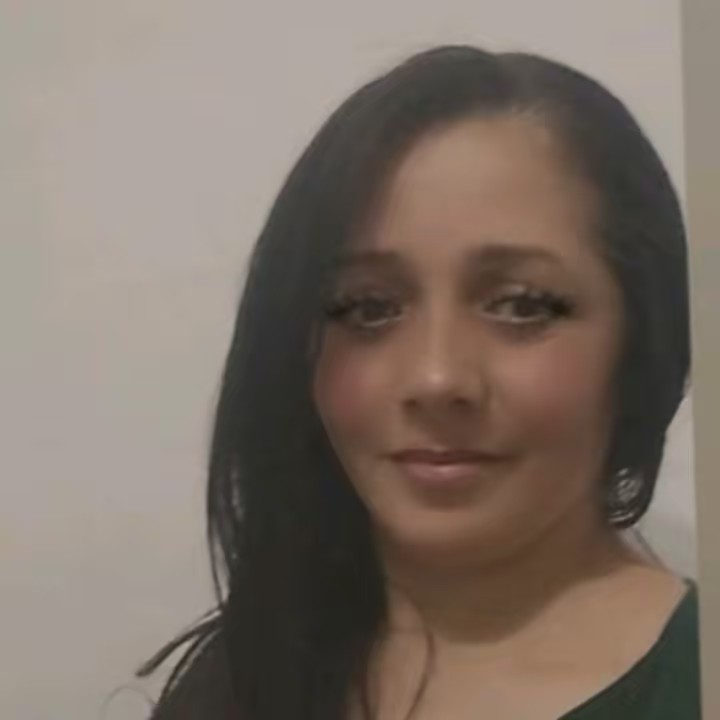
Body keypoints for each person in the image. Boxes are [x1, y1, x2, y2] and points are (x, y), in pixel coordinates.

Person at [140, 45, 698, 719]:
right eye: (368, 308)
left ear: (643, 334)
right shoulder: (245, 672)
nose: (437, 377)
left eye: (521, 304)